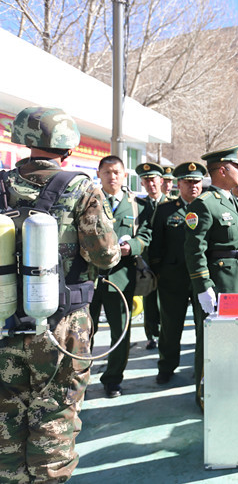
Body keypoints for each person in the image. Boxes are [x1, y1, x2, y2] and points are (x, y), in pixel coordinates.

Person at [0, 106, 120, 482]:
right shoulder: (82, 188)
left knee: (5, 422)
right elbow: (106, 256)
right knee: (54, 418)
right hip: (61, 326)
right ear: (67, 147)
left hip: (4, 320)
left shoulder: (1, 184)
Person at [184, 145, 238, 408]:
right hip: (219, 284)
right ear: (222, 170)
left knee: (233, 340)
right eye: (237, 168)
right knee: (211, 342)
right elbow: (194, 248)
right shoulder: (204, 204)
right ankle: (206, 396)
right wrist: (203, 286)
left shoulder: (231, 200)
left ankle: (227, 389)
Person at [90, 155, 152, 398]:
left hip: (121, 277)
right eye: (107, 172)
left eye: (116, 172)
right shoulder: (88, 201)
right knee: (85, 331)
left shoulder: (138, 205)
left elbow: (146, 235)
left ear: (124, 175)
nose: (112, 176)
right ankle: (79, 378)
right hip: (89, 277)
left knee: (120, 331)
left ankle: (113, 379)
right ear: (99, 174)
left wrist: (132, 247)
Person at [149, 161, 207, 385]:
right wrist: (157, 272)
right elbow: (156, 244)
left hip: (201, 278)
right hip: (173, 278)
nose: (193, 186)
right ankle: (166, 366)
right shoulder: (166, 210)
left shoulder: (208, 206)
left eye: (197, 182)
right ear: (178, 184)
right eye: (188, 182)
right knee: (171, 326)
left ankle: (202, 367)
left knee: (204, 325)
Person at [135, 162, 167, 351]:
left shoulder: (170, 203)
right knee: (149, 300)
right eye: (146, 181)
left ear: (161, 181)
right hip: (147, 261)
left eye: (153, 180)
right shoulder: (139, 206)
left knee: (167, 300)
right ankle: (152, 335)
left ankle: (166, 333)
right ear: (142, 183)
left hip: (167, 261)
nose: (150, 184)